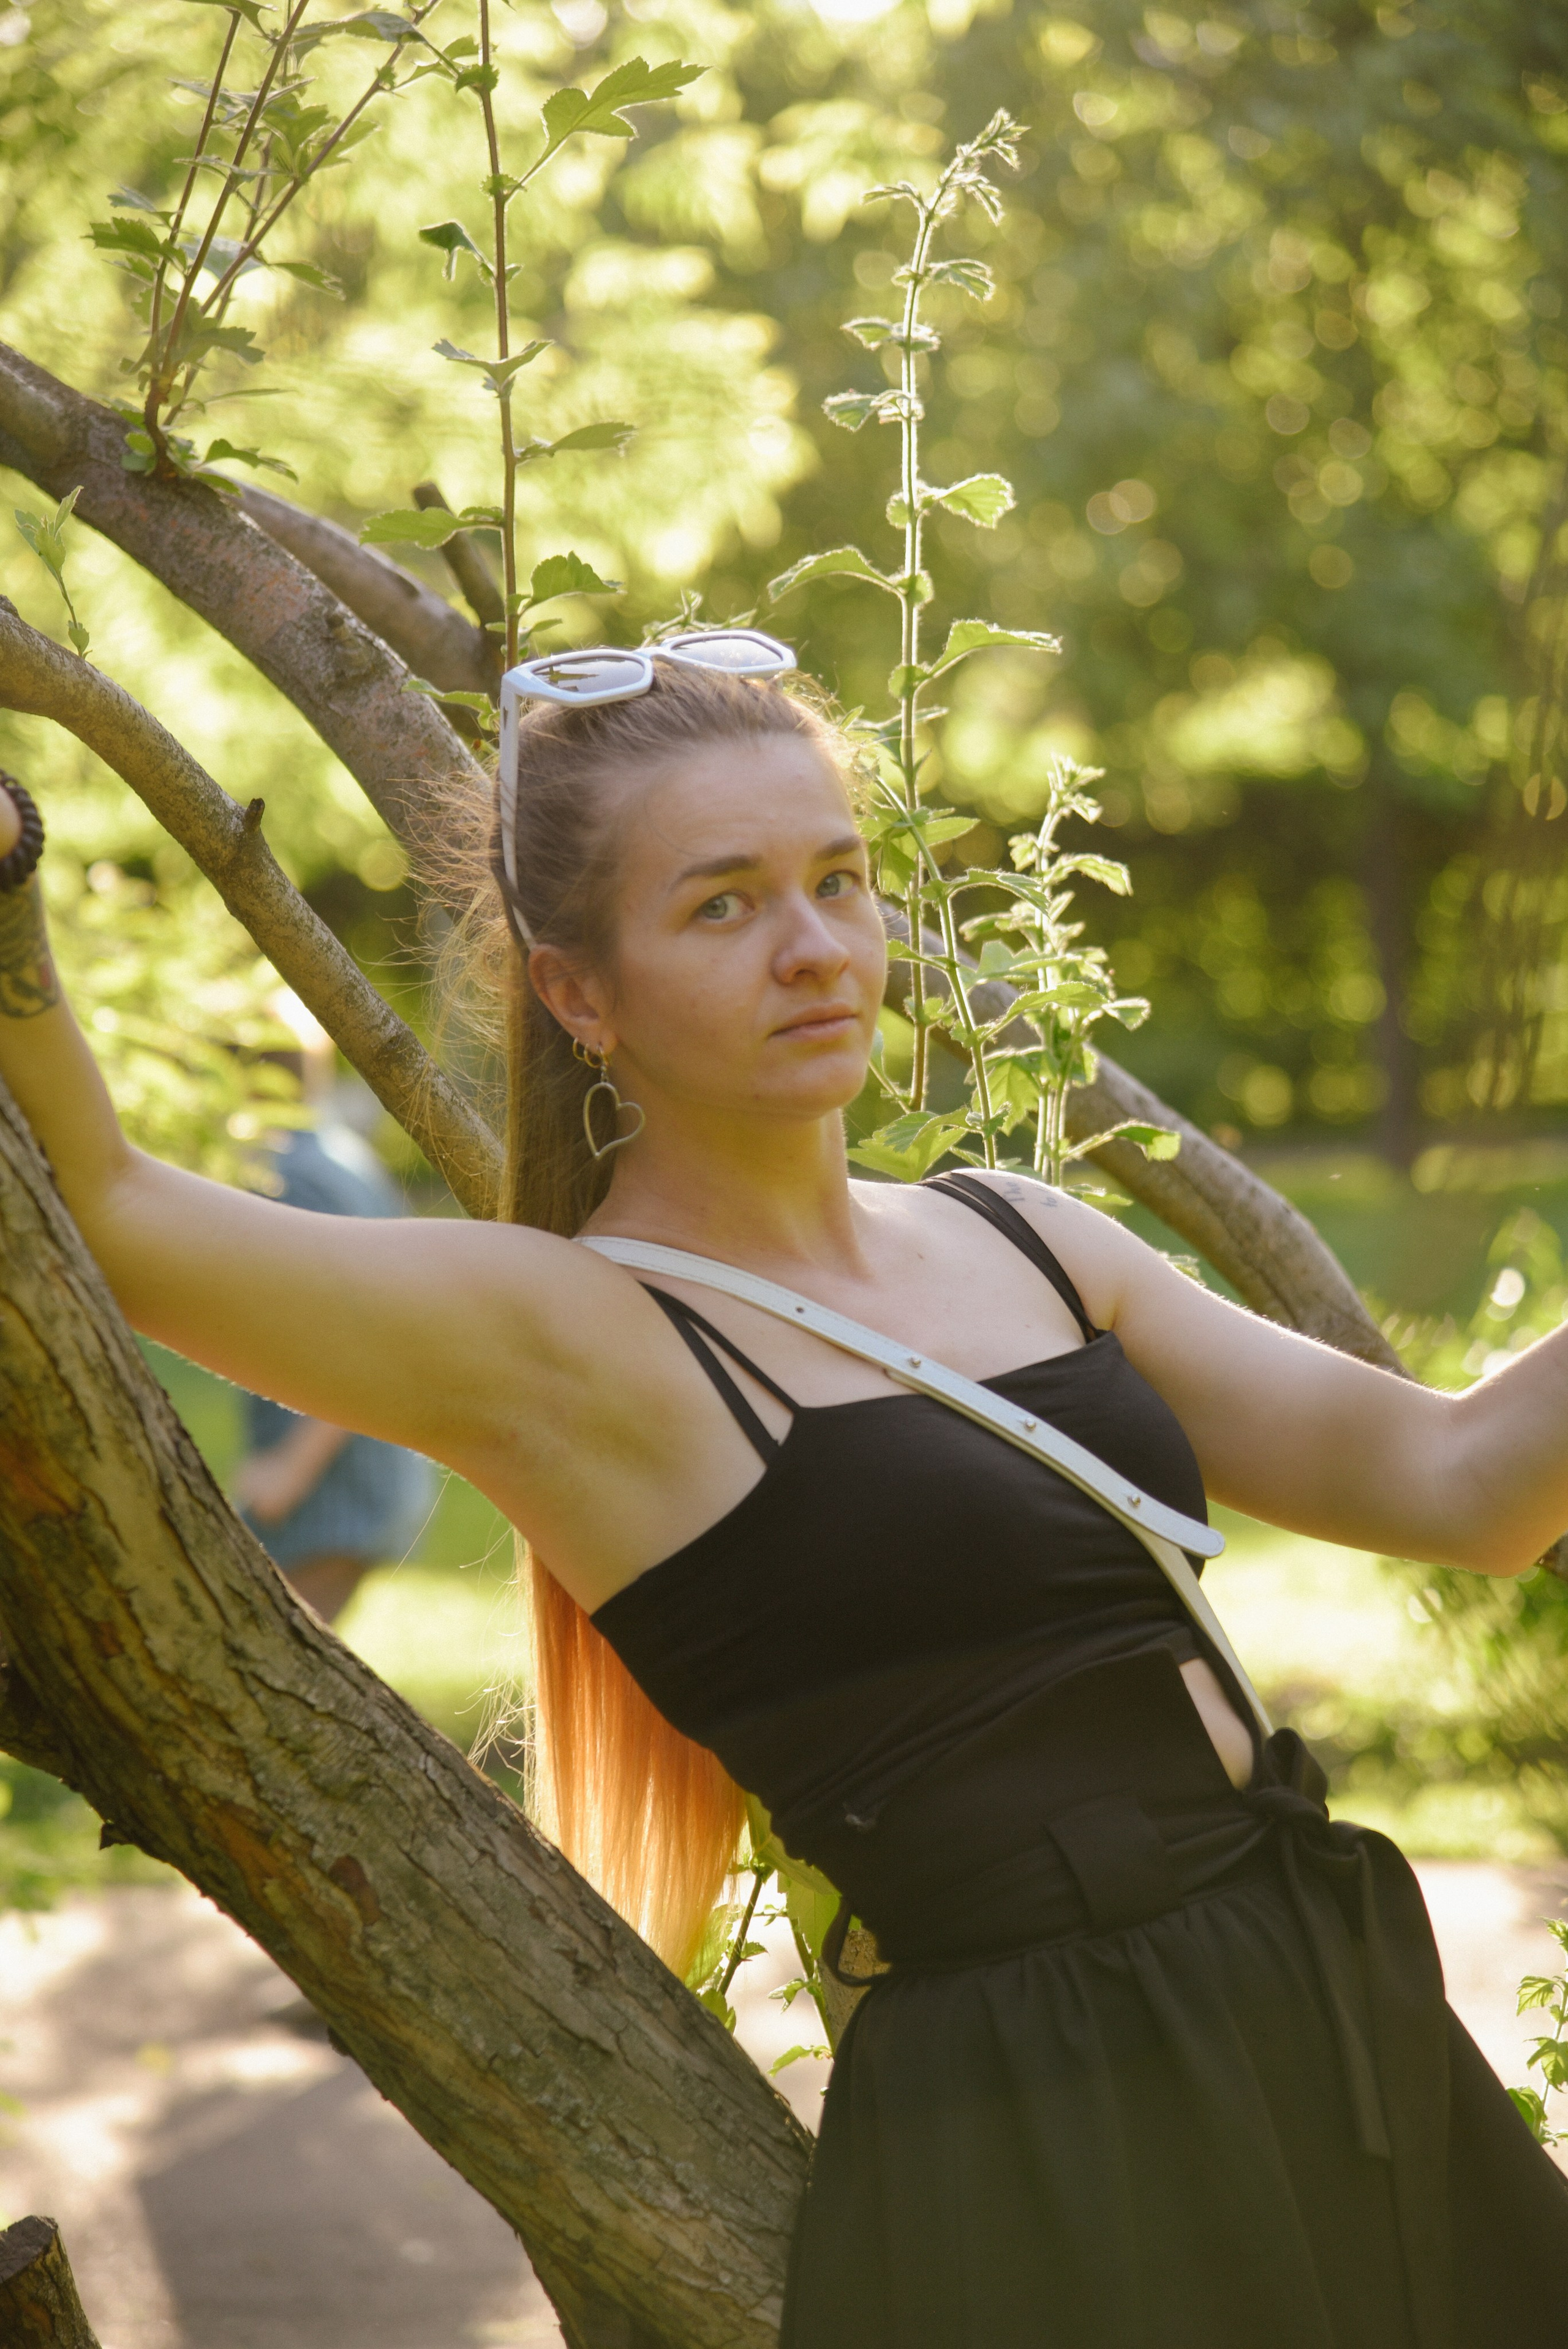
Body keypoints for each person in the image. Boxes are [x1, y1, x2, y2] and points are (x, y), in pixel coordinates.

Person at [1, 643, 1566, 2349]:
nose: (815, 945)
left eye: (838, 879)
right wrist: (11, 875)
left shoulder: (1026, 1238)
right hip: (1058, 2106)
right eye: (723, 905)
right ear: (579, 993)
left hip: (1322, 2004)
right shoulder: (579, 1338)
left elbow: (1465, 1481)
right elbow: (119, 1213)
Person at [230, 996, 435, 1623]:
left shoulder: (293, 1178)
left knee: (266, 1650)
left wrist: (290, 1468)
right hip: (368, 1474)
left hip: (330, 1488)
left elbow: (368, 1329)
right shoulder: (344, 1158)